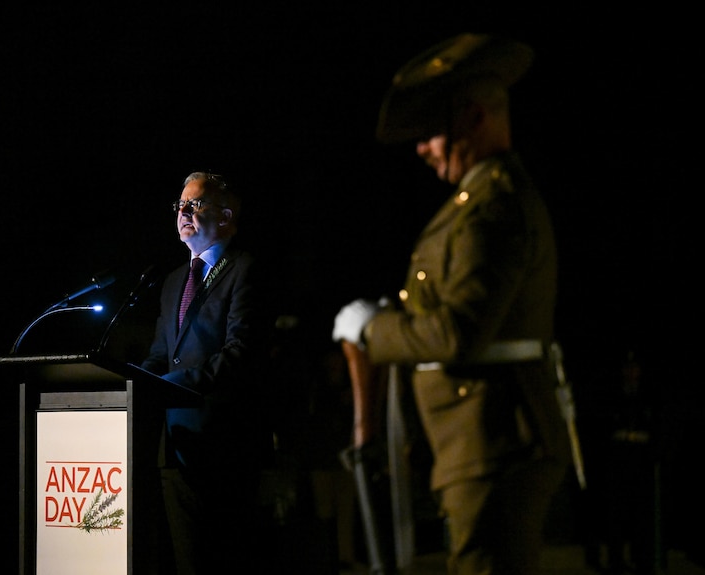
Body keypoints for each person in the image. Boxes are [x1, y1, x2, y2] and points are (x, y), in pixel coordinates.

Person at [332, 34, 572, 575]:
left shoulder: (494, 208)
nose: (422, 147)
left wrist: (376, 331)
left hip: (496, 444)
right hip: (481, 444)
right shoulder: (479, 202)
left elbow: (460, 332)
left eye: (432, 131)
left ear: (472, 117)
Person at [140, 171, 275, 574]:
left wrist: (170, 387)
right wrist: (130, 384)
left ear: (227, 216)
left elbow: (241, 352)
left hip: (227, 447)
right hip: (176, 451)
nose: (183, 212)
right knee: (187, 562)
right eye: (179, 205)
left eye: (195, 204)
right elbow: (160, 355)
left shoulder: (246, 269)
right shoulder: (171, 282)